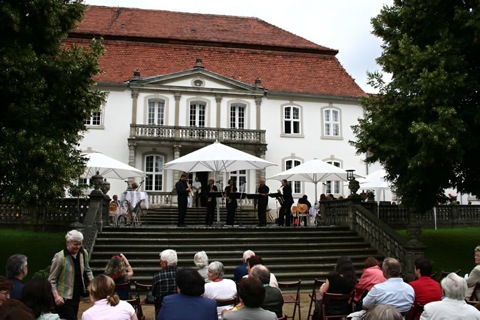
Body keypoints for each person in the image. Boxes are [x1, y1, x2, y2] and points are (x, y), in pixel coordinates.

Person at [48, 229, 94, 320]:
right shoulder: (60, 257)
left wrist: (93, 283)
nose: (78, 247)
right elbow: (52, 279)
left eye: (80, 244)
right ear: (67, 243)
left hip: (76, 295)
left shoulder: (83, 253)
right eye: (75, 244)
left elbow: (87, 270)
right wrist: (56, 296)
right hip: (64, 298)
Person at [152, 249, 178, 315]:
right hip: (180, 310)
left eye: (160, 261)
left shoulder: (157, 277)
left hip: (162, 311)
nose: (159, 263)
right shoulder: (184, 275)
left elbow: (154, 294)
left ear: (165, 263)